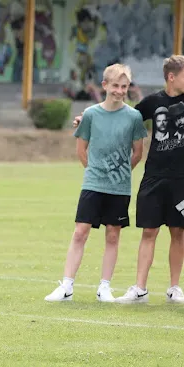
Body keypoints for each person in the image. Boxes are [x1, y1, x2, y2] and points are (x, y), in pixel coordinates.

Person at [72, 55, 184, 304]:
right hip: (154, 177)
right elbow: (119, 114)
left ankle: (174, 288)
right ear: (172, 76)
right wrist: (85, 118)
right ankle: (140, 289)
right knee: (149, 231)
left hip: (182, 180)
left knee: (179, 232)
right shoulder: (153, 102)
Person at [45, 64, 147, 302]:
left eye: (124, 86)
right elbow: (82, 150)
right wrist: (95, 173)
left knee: (113, 235)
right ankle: (67, 286)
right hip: (92, 185)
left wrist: (119, 174)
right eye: (115, 86)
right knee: (80, 232)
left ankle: (105, 287)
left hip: (119, 188)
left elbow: (137, 153)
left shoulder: (133, 117)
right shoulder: (90, 114)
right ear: (105, 86)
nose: (120, 91)